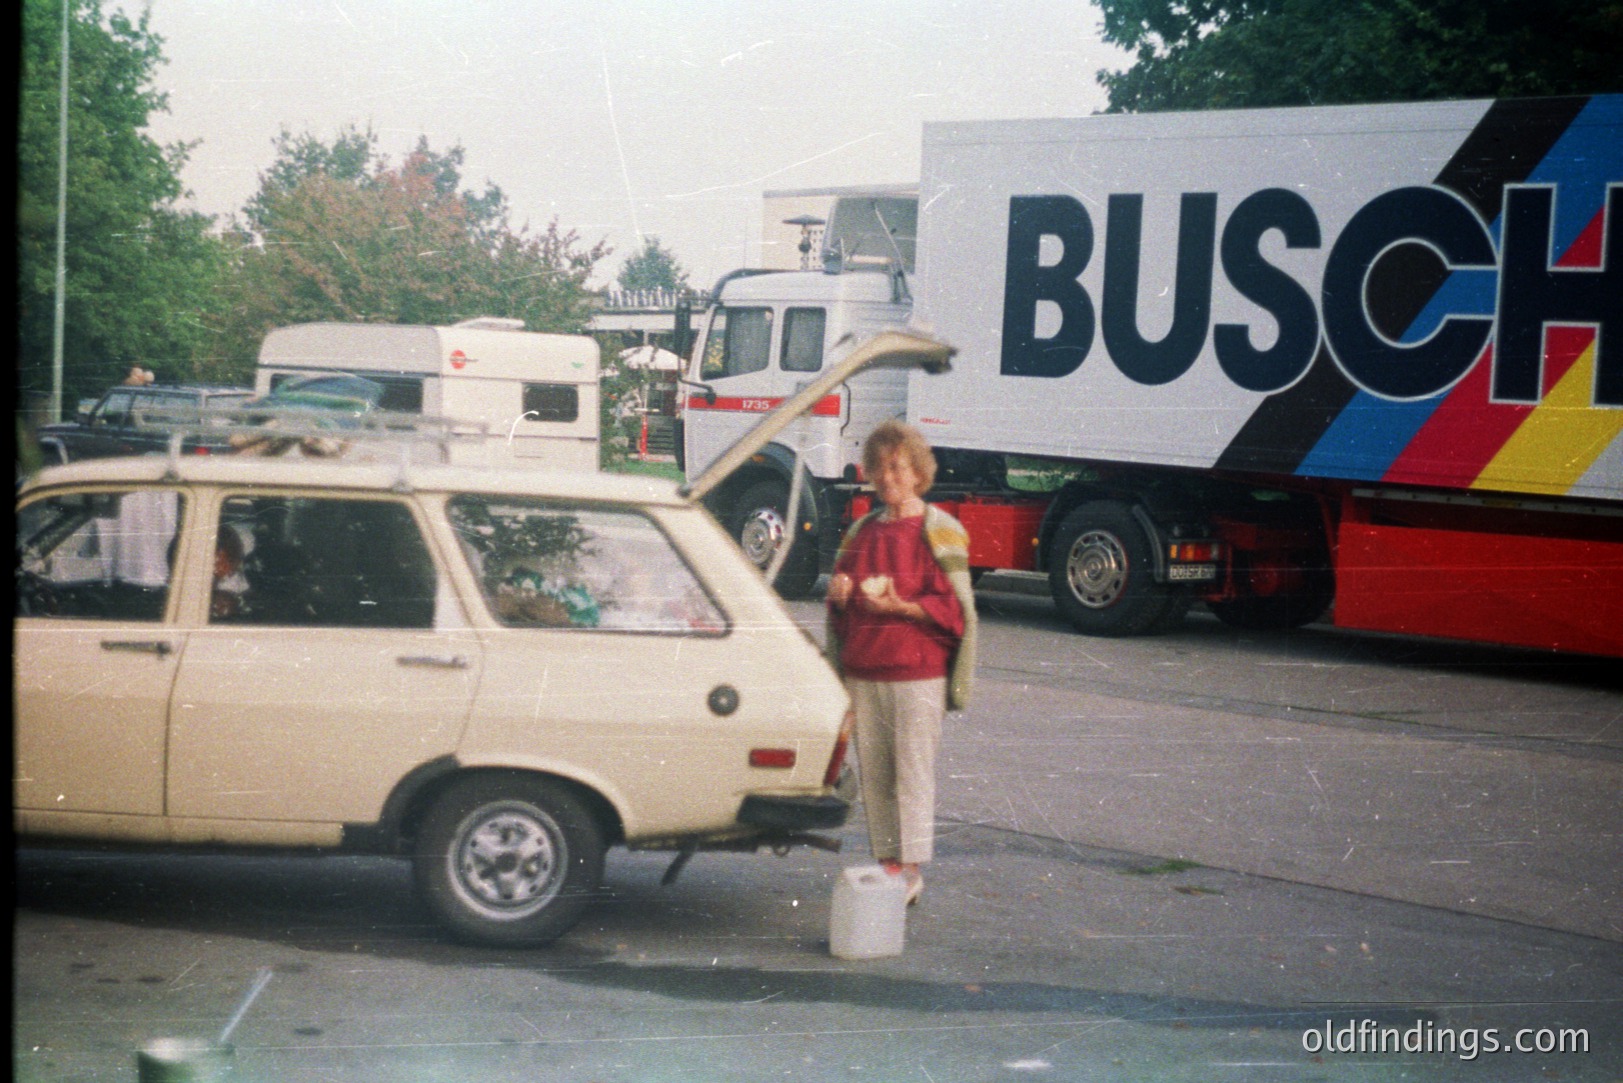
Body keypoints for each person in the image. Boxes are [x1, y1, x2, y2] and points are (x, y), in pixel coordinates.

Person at [826, 420, 977, 906]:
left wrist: (901, 608)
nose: (887, 477)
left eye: (898, 467)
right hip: (864, 671)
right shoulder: (860, 532)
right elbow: (841, 605)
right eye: (879, 468)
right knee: (877, 776)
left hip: (917, 673)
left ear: (917, 473)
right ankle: (889, 864)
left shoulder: (940, 530)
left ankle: (910, 870)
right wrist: (840, 594)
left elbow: (954, 612)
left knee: (911, 773)